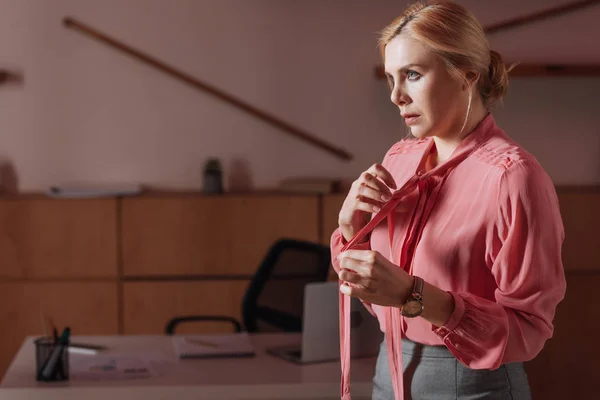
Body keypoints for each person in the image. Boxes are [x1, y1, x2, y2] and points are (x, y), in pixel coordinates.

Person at [330, 1, 566, 399]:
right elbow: (372, 294)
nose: (396, 96)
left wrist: (415, 296)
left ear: (467, 75)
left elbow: (529, 328)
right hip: (387, 374)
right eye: (391, 78)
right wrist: (352, 230)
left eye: (412, 75)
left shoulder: (513, 178)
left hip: (471, 384)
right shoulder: (398, 159)